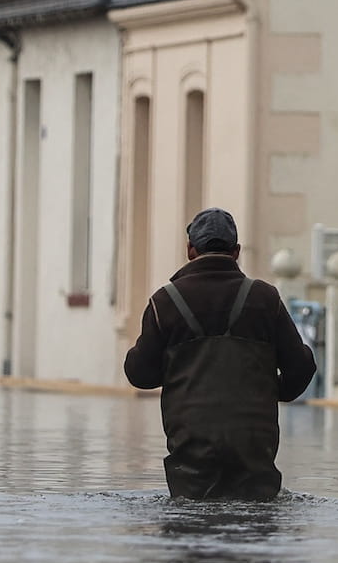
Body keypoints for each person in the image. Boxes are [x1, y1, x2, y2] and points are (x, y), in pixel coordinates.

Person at [124, 208, 316, 500]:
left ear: (190, 250)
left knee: (191, 511)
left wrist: (179, 371)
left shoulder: (164, 303)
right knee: (257, 511)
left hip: (191, 450)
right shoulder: (265, 298)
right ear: (236, 251)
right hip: (254, 448)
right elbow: (301, 367)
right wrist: (269, 390)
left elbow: (140, 375)